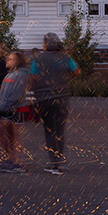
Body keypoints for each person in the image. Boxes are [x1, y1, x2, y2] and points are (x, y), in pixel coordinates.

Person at [30, 33, 79, 175]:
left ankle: (53, 164)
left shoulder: (38, 58)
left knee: (49, 130)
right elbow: (76, 72)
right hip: (62, 98)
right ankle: (58, 161)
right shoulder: (65, 57)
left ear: (46, 44)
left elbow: (32, 77)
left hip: (44, 98)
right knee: (60, 129)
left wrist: (35, 94)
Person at [0, 50, 31, 173]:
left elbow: (17, 94)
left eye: (11, 59)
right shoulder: (11, 74)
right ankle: (10, 161)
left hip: (14, 109)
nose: (7, 61)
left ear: (18, 61)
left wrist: (4, 104)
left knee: (14, 136)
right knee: (6, 134)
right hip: (6, 108)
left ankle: (15, 162)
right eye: (7, 58)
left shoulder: (20, 75)